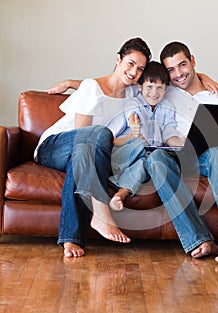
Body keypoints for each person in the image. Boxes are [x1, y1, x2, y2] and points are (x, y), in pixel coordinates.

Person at [34, 37, 152, 258]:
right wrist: (72, 82)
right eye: (130, 63)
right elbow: (81, 134)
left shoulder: (132, 97)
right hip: (54, 145)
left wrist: (134, 135)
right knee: (97, 135)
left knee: (82, 159)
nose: (134, 71)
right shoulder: (91, 87)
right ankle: (100, 210)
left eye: (140, 68)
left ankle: (71, 238)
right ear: (118, 59)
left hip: (87, 153)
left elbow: (165, 83)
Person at [142, 41, 218, 265]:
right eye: (171, 70)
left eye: (182, 65)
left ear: (193, 61)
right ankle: (199, 239)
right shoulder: (166, 93)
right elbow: (125, 84)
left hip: (207, 158)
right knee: (155, 159)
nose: (178, 74)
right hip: (175, 157)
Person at [107, 60, 185, 211]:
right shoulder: (132, 103)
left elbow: (169, 133)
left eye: (159, 88)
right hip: (126, 153)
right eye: (149, 86)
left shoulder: (167, 107)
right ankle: (109, 168)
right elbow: (132, 119)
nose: (154, 93)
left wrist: (181, 142)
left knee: (148, 160)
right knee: (142, 146)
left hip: (145, 156)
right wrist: (135, 130)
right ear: (139, 86)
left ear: (166, 89)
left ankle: (120, 194)